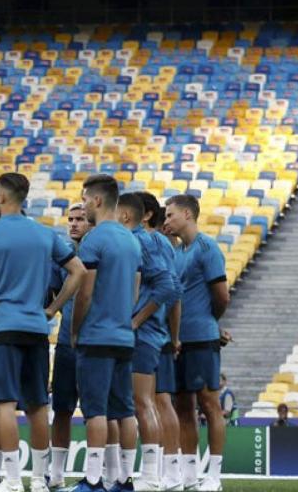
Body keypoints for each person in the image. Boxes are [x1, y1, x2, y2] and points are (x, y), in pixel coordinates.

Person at [0, 172, 85, 492]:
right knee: (39, 404)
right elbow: (77, 271)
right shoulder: (45, 233)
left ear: (1, 197)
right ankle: (38, 479)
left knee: (6, 404)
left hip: (2, 325)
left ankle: (11, 480)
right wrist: (53, 309)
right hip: (37, 328)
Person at [67, 177, 143, 492]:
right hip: (124, 335)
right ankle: (124, 479)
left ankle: (94, 480)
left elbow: (84, 293)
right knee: (124, 410)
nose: (83, 205)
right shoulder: (131, 240)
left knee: (95, 411)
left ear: (97, 201)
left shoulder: (94, 240)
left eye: (85, 199)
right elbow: (136, 291)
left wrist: (75, 329)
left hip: (96, 335)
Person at [165, 194, 230, 492]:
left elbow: (222, 296)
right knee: (183, 407)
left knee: (209, 404)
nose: (166, 220)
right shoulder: (177, 252)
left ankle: (214, 476)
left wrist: (211, 323)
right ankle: (190, 476)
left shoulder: (207, 248)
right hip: (179, 341)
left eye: (170, 215)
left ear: (188, 214)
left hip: (202, 338)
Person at [119, 193, 180, 491]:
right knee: (146, 403)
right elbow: (174, 288)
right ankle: (149, 475)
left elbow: (169, 286)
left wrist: (136, 320)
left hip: (142, 334)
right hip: (152, 332)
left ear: (142, 215)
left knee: (141, 403)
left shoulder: (144, 242)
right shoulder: (161, 244)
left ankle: (151, 476)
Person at [136, 194, 185, 490]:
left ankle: (168, 471)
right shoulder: (165, 245)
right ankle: (171, 471)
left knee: (158, 401)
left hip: (154, 331)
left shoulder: (153, 244)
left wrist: (173, 336)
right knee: (156, 400)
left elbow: (172, 292)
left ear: (144, 215)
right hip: (161, 331)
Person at [48, 203, 93, 489]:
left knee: (95, 410)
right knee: (62, 408)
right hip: (66, 341)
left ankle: (96, 471)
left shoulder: (99, 252)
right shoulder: (59, 254)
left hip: (94, 342)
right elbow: (52, 290)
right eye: (71, 219)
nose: (74, 224)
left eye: (80, 219)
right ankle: (56, 474)